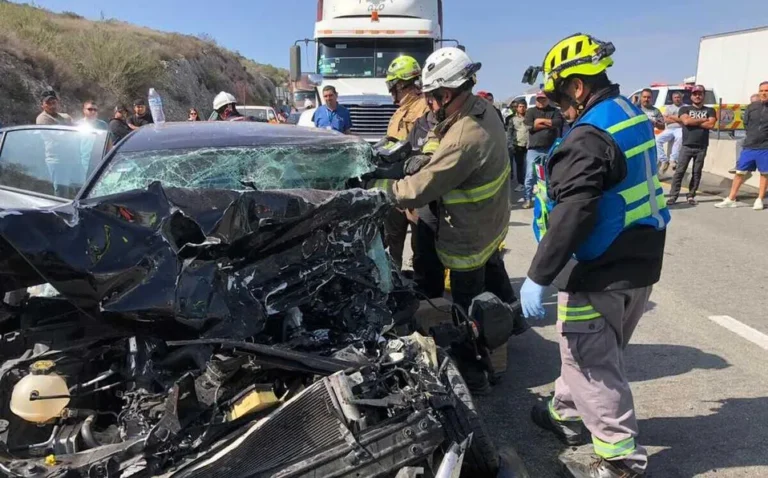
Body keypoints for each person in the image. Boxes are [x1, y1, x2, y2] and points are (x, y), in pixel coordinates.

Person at [521, 33, 669, 478]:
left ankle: (620, 459)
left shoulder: (587, 136)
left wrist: (539, 274)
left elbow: (576, 210)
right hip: (640, 260)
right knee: (587, 352)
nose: (554, 106)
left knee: (591, 362)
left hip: (598, 268)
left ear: (579, 87)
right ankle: (565, 414)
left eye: (557, 94)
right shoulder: (629, 114)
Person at [371, 47, 519, 393]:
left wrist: (377, 192)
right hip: (485, 224)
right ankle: (502, 337)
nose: (430, 106)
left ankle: (473, 376)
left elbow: (420, 188)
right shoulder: (481, 109)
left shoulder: (467, 138)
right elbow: (436, 133)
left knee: (465, 313)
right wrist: (422, 154)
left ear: (447, 93)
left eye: (433, 98)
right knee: (485, 290)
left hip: (466, 232)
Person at [382, 56, 431, 269]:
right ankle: (393, 274)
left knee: (420, 238)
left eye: (392, 85)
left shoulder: (425, 107)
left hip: (416, 184)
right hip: (396, 183)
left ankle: (420, 282)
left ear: (401, 83)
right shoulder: (399, 111)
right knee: (393, 236)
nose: (391, 90)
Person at [715, 81, 768, 210]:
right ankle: (731, 199)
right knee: (740, 172)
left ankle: (759, 199)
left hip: (765, 147)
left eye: (766, 91)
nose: (764, 93)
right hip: (749, 146)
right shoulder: (752, 107)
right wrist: (751, 136)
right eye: (761, 90)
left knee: (765, 174)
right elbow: (746, 124)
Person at [667, 85, 717, 206]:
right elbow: (686, 121)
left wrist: (693, 122)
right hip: (687, 146)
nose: (697, 96)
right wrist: (702, 120)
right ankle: (673, 196)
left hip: (702, 146)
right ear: (691, 96)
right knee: (680, 171)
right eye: (695, 94)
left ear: (704, 95)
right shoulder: (685, 109)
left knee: (697, 172)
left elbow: (711, 125)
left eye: (700, 94)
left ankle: (691, 195)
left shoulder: (710, 110)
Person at [523, 91, 563, 209]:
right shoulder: (531, 111)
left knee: (549, 175)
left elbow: (558, 123)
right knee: (530, 175)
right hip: (534, 149)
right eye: (539, 99)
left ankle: (549, 198)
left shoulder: (554, 111)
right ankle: (527, 198)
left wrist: (539, 121)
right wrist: (548, 124)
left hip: (550, 148)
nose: (541, 101)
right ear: (536, 99)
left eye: (543, 99)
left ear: (547, 99)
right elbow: (530, 126)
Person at [656, 91, 684, 173]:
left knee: (680, 137)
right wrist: (677, 118)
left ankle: (673, 159)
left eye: (678, 97)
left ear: (681, 98)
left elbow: (683, 120)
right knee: (657, 140)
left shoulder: (684, 107)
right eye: (675, 98)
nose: (677, 99)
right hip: (669, 129)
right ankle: (664, 160)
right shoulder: (669, 108)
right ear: (672, 99)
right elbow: (665, 120)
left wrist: (671, 117)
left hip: (680, 128)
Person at [507, 101, 528, 192]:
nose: (521, 108)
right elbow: (510, 133)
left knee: (530, 165)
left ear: (526, 107)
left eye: (523, 106)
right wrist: (510, 144)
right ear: (517, 108)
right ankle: (521, 183)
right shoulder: (513, 119)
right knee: (520, 165)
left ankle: (530, 183)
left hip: (529, 145)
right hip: (518, 145)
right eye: (520, 106)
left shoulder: (530, 117)